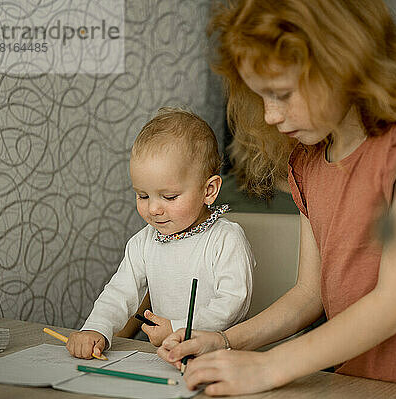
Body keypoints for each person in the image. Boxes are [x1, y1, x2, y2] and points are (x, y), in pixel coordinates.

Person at [157, 0, 396, 396]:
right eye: (260, 96)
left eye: (281, 93)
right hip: (355, 382)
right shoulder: (306, 163)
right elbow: (309, 293)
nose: (269, 115)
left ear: (340, 63)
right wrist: (228, 340)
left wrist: (269, 365)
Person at [66, 107, 255, 360]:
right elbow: (120, 292)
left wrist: (178, 329)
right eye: (142, 195)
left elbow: (232, 303)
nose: (153, 209)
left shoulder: (225, 239)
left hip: (222, 358)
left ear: (209, 190)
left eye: (169, 196)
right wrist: (95, 328)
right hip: (168, 358)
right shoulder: (143, 242)